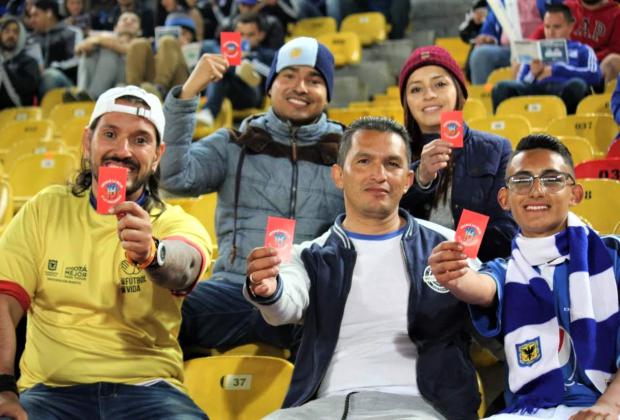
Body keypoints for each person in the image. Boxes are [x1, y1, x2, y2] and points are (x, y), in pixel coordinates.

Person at [245, 117, 480, 419]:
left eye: (392, 164)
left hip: (419, 408)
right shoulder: (308, 255)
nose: (378, 175)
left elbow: (489, 310)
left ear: (408, 180)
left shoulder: (448, 246)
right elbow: (285, 304)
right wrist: (268, 289)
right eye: (364, 161)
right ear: (338, 175)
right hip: (321, 409)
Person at [0, 85, 212, 419]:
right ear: (88, 143)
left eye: (140, 140)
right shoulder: (44, 210)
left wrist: (153, 254)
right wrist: (3, 389)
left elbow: (185, 266)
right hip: (49, 392)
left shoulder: (174, 222)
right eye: (110, 134)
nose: (122, 150)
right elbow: (4, 302)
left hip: (149, 390)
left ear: (158, 156)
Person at [160, 36, 345, 351]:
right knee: (163, 312)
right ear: (270, 86)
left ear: (327, 94)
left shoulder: (350, 151)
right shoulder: (235, 143)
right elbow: (172, 176)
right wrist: (188, 94)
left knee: (334, 328)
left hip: (305, 296)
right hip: (235, 289)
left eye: (314, 80)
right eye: (288, 76)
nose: (300, 87)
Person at [428, 133, 620, 419]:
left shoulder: (613, 255)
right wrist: (455, 275)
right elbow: (481, 286)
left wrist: (611, 405)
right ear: (504, 199)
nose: (537, 191)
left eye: (552, 179)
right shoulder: (507, 269)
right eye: (522, 180)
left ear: (575, 194)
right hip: (531, 409)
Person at [398, 45, 518, 262]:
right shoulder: (392, 153)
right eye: (416, 89)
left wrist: (453, 250)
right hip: (408, 274)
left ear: (459, 92)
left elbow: (505, 230)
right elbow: (379, 221)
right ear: (406, 102)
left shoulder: (497, 148)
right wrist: (420, 177)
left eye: (440, 84)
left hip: (473, 273)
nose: (429, 95)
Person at [492, 4, 602, 114]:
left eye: (557, 27)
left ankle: (566, 125)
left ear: (570, 26)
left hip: (563, 89)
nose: (551, 32)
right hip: (536, 90)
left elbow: (595, 76)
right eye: (547, 27)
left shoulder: (583, 50)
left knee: (577, 85)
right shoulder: (536, 50)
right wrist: (533, 74)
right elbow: (521, 82)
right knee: (501, 88)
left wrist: (556, 70)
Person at [195, 11, 276, 126]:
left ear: (261, 35)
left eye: (250, 35)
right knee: (221, 68)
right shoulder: (224, 50)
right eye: (241, 34)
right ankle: (237, 68)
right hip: (226, 88)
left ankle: (208, 111)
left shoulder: (267, 54)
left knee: (225, 66)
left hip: (251, 93)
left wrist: (251, 60)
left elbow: (272, 75)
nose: (245, 40)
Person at [468, 0, 563, 85]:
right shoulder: (500, 2)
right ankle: (483, 100)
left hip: (541, 49)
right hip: (508, 50)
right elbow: (489, 28)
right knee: (480, 55)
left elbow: (562, 18)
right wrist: (489, 38)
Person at [125, 12, 196, 99]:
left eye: (185, 33)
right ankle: (133, 92)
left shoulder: (199, 48)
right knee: (139, 43)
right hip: (150, 84)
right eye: (177, 32)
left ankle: (160, 88)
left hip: (181, 86)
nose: (181, 35)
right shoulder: (157, 46)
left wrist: (184, 48)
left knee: (168, 41)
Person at [75, 11, 141, 99]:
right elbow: (78, 48)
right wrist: (87, 46)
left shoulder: (141, 43)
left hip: (124, 82)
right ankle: (82, 93)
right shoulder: (104, 38)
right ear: (115, 28)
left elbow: (125, 49)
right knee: (89, 53)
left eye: (134, 21)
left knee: (109, 52)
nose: (128, 22)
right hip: (100, 78)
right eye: (124, 19)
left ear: (140, 31)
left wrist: (97, 40)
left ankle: (94, 96)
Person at [27, 0, 83, 96]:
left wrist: (53, 67)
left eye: (35, 15)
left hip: (66, 82)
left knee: (49, 76)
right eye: (30, 16)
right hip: (35, 83)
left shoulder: (71, 33)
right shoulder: (30, 40)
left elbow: (77, 60)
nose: (31, 21)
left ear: (49, 13)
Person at [565, 0, 620, 84]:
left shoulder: (616, 13)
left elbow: (615, 49)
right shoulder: (567, 7)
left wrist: (587, 57)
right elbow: (546, 30)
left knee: (614, 60)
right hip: (567, 61)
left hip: (598, 66)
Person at [0, 15, 40, 110]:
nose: (11, 35)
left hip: (19, 111)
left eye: (15, 32)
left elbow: (28, 89)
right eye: (7, 31)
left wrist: (4, 68)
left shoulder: (29, 61)